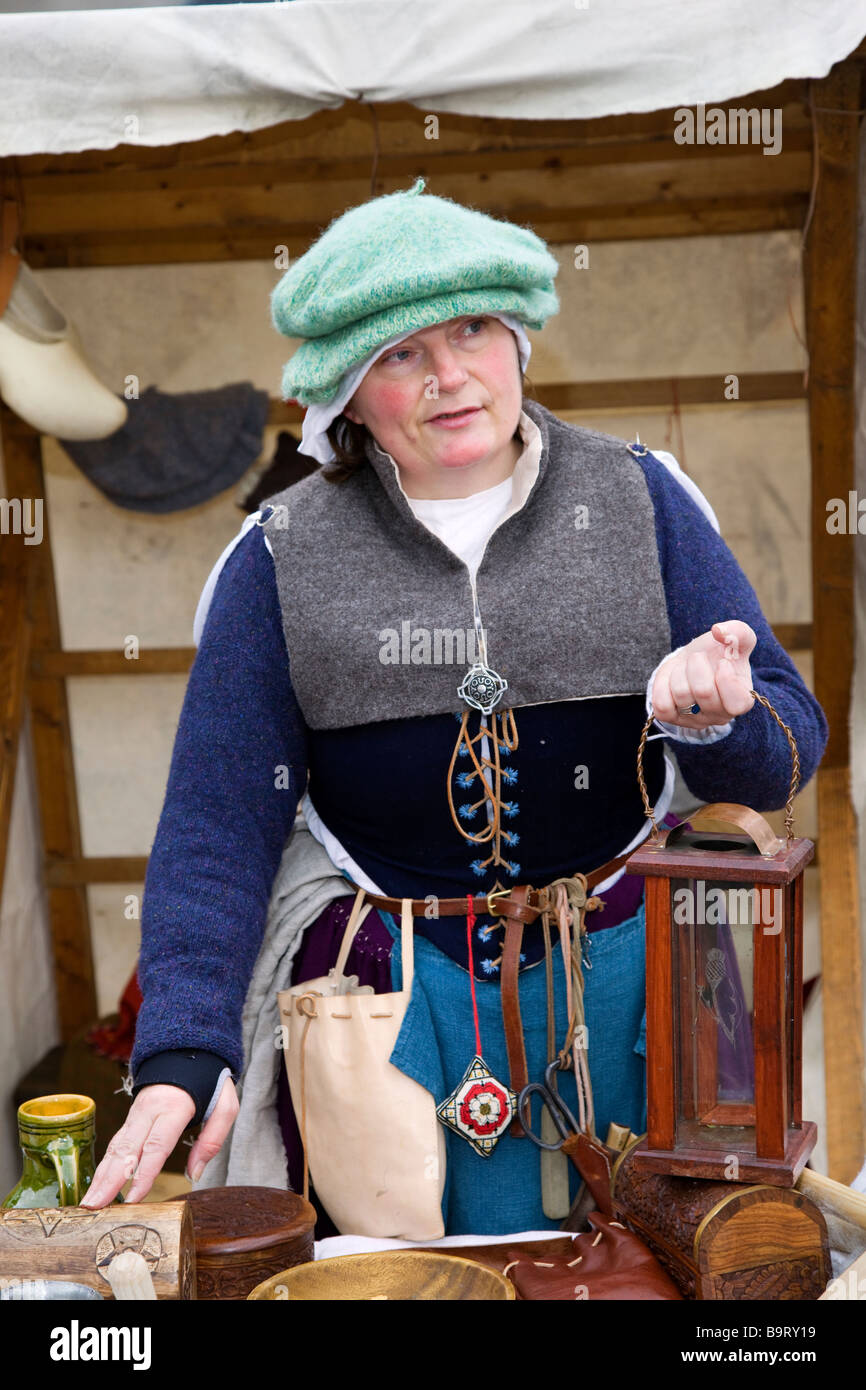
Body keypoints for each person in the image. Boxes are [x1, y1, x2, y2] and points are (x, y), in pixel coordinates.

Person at [82, 177, 828, 1232]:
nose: (448, 377)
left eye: (471, 330)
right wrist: (180, 1049)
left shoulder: (642, 496)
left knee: (644, 1265)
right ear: (347, 387)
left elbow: (790, 753)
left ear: (516, 338)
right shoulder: (275, 559)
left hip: (627, 995)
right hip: (389, 1010)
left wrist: (720, 720)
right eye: (400, 354)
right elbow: (218, 824)